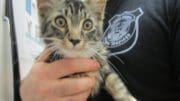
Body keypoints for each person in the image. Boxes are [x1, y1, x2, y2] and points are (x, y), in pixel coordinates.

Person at [20, 0, 180, 101]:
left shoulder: (169, 5)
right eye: (62, 22)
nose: (75, 37)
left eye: (87, 25)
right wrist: (23, 95)